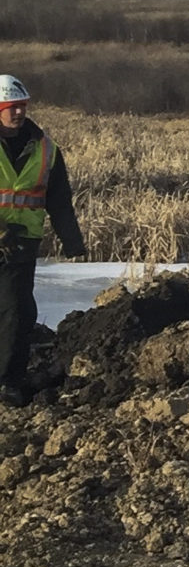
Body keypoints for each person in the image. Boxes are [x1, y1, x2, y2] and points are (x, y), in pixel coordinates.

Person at [0, 77, 86, 406]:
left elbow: (59, 199)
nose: (18, 112)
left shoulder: (46, 149)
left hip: (23, 245)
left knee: (18, 311)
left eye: (22, 106)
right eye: (11, 107)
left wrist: (72, 241)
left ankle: (9, 380)